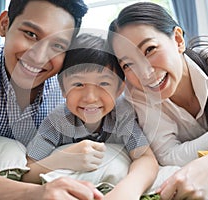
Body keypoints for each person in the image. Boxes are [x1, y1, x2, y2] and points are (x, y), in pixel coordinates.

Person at [0, 1, 104, 200]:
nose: (39, 57)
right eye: (31, 34)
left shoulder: (70, 85)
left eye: (57, 45)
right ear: (4, 24)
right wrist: (38, 193)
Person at [107, 2, 208, 200]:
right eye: (128, 64)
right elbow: (168, 156)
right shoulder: (139, 96)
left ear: (177, 40)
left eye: (149, 50)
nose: (145, 73)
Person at [22, 33, 158, 199]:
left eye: (103, 84)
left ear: (119, 89)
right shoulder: (57, 121)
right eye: (78, 84)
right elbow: (28, 171)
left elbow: (145, 157)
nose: (90, 98)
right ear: (63, 88)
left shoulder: (121, 115)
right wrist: (64, 159)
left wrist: (126, 191)